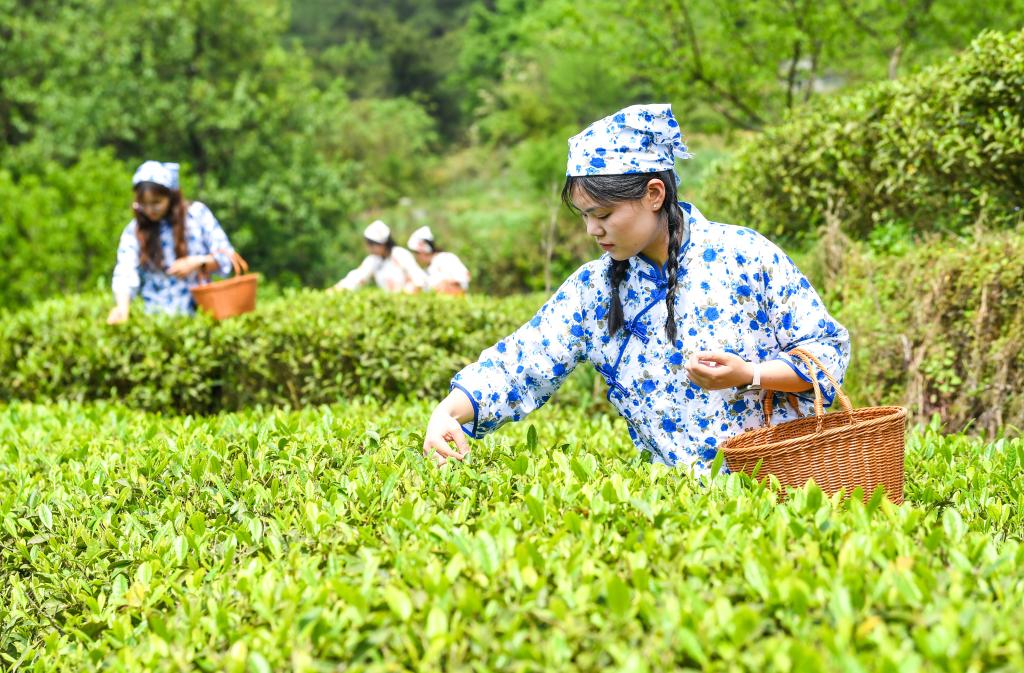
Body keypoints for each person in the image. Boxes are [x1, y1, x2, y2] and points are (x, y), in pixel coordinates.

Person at [421, 103, 850, 472]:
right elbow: (520, 364)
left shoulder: (744, 254)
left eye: (604, 214)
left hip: (786, 487)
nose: (593, 230)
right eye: (585, 216)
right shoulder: (593, 291)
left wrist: (750, 374)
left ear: (654, 193)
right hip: (678, 512)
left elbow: (827, 353)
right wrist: (448, 411)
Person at [108, 161, 236, 324]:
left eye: (156, 203)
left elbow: (228, 257)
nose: (149, 210)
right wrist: (122, 307)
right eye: (143, 204)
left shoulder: (196, 215)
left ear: (170, 196)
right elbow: (125, 271)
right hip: (155, 320)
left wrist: (197, 263)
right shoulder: (135, 230)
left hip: (200, 316)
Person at [329, 220, 427, 293]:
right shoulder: (373, 260)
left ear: (383, 244)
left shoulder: (400, 255)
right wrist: (334, 290)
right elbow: (355, 279)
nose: (369, 248)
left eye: (372, 244)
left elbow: (419, 279)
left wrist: (408, 293)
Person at [407, 226, 471, 295]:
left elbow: (465, 276)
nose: (417, 256)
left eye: (417, 253)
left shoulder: (445, 258)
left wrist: (445, 284)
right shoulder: (428, 268)